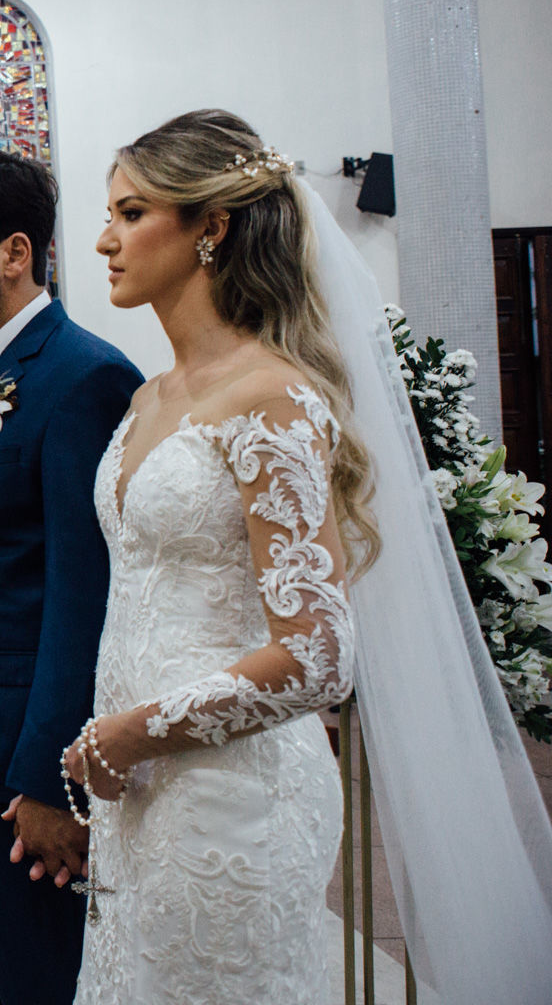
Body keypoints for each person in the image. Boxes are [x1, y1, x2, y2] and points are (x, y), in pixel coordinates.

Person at [69, 109, 552, 1003]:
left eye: (132, 213)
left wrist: (135, 730)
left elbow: (319, 655)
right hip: (139, 795)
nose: (104, 240)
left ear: (209, 226)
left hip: (231, 793)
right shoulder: (148, 398)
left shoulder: (273, 398)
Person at [0, 150, 142, 1005]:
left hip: (21, 773)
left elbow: (85, 598)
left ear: (13, 253)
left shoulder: (83, 378)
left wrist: (51, 780)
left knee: (41, 983)